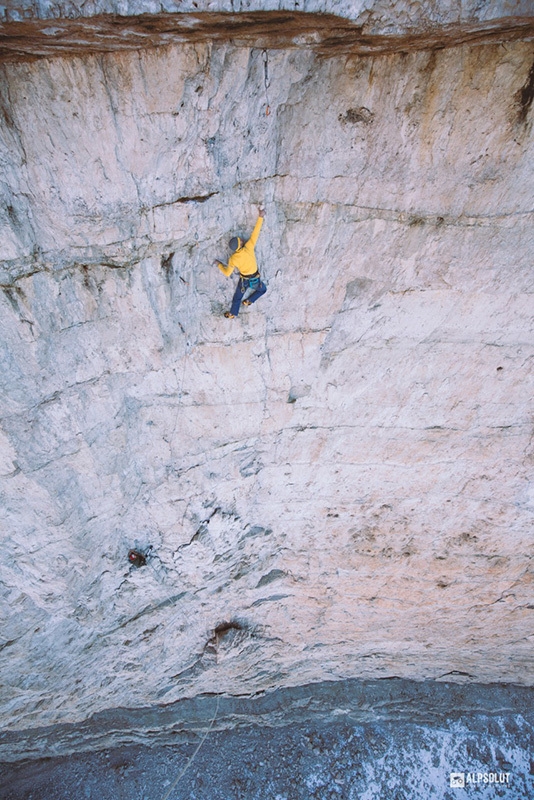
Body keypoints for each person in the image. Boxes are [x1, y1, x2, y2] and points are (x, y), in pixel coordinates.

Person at [215, 208, 267, 318]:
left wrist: (219, 264)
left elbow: (227, 273)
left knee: (237, 297)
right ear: (240, 244)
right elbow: (255, 233)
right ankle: (249, 301)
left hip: (244, 281)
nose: (242, 240)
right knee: (263, 290)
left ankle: (233, 313)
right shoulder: (248, 247)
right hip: (255, 278)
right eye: (240, 240)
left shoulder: (233, 258)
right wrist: (261, 216)